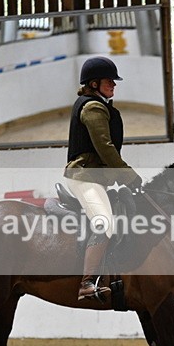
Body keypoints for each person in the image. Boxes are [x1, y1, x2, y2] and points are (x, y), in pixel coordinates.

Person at [64, 56, 142, 301]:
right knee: (104, 222)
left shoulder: (100, 105)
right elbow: (105, 148)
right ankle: (86, 283)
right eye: (109, 81)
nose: (114, 85)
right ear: (94, 83)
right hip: (84, 177)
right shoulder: (93, 108)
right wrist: (129, 176)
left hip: (94, 177)